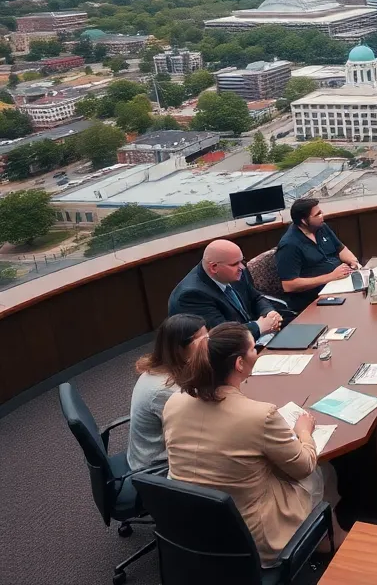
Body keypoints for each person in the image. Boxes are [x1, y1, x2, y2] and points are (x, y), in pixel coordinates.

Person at [162, 322, 344, 565]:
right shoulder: (260, 415)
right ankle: (330, 537)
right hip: (253, 538)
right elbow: (304, 465)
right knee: (323, 470)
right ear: (239, 364)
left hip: (193, 528)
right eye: (254, 348)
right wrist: (304, 432)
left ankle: (324, 533)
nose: (257, 352)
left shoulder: (174, 401)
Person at [127, 314, 208, 473]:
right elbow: (204, 427)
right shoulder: (164, 390)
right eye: (204, 341)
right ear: (181, 348)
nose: (209, 345)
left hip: (168, 450)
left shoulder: (164, 369)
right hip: (156, 469)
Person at [169, 239, 284, 338]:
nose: (242, 267)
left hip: (253, 335)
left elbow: (256, 297)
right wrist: (260, 327)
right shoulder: (192, 296)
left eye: (241, 261)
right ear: (214, 267)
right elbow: (223, 336)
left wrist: (269, 313)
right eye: (235, 264)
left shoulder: (235, 271)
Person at [276, 198, 361, 315]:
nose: (322, 216)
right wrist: (331, 276)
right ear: (304, 221)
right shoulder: (289, 245)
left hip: (340, 283)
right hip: (315, 298)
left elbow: (341, 249)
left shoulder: (321, 227)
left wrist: (353, 261)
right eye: (317, 214)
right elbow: (289, 285)